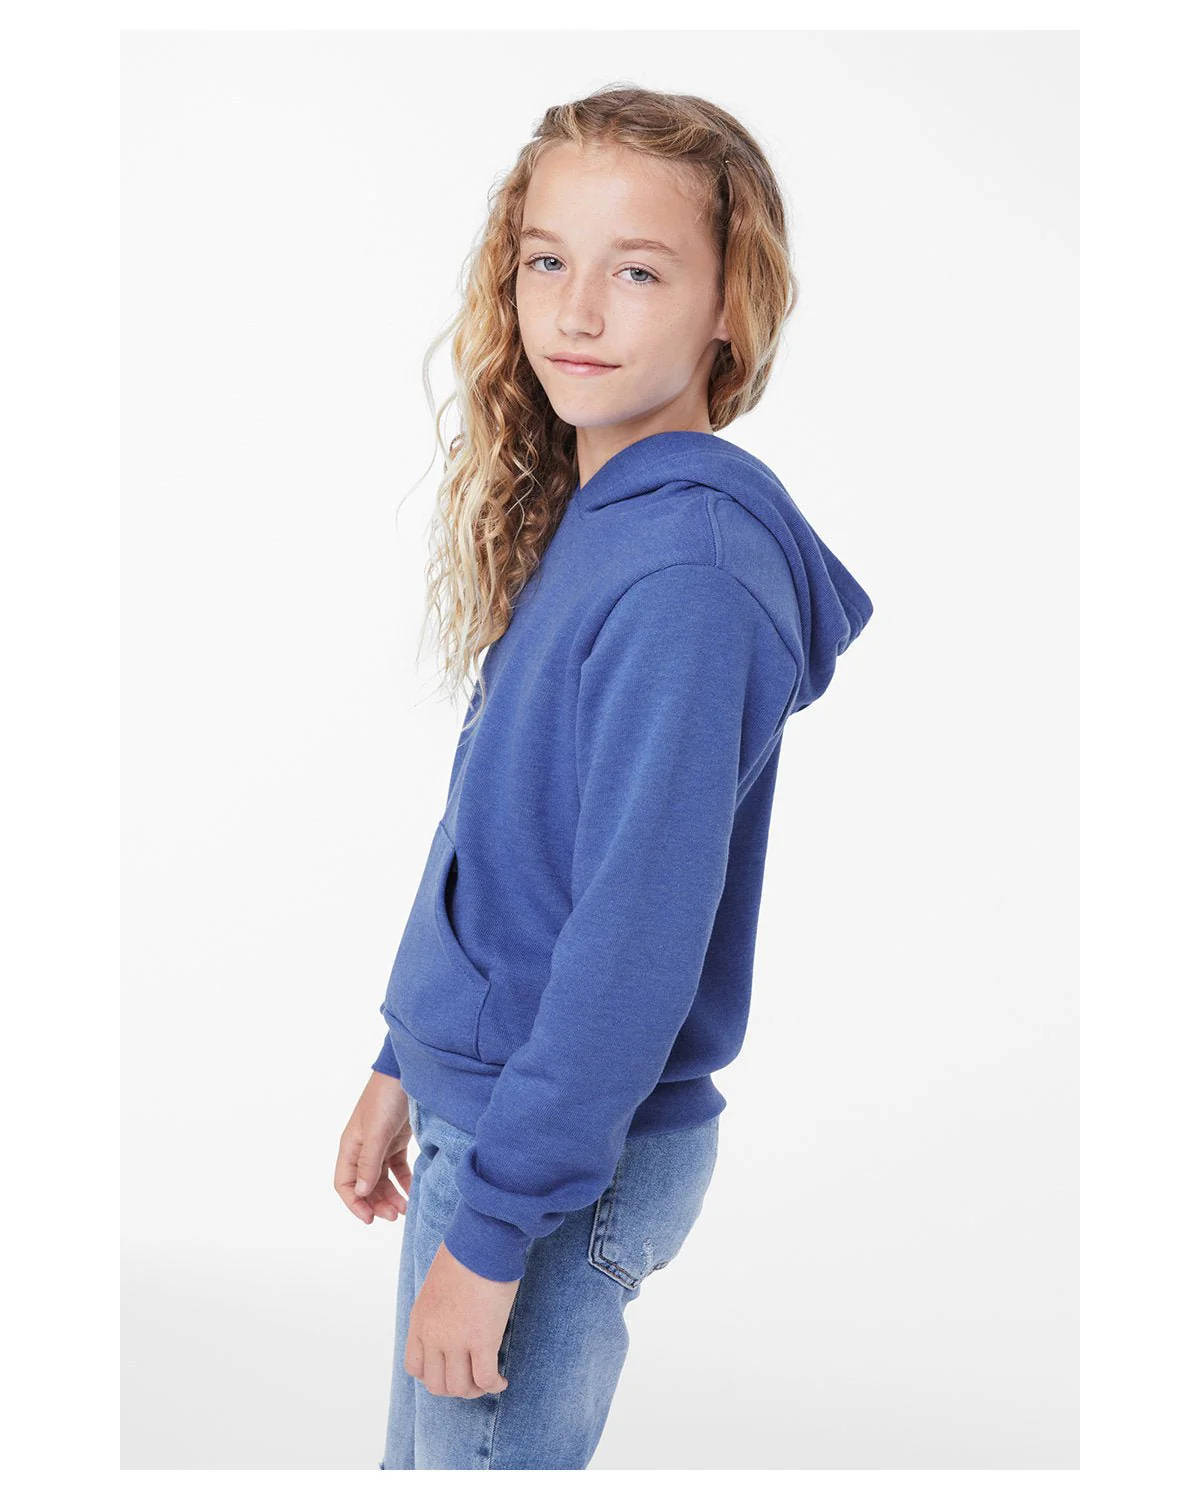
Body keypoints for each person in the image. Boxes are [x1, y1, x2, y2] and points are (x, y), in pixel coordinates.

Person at [333, 83, 874, 1470]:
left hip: (552, 1157)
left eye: (637, 272)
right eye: (546, 261)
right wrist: (406, 1055)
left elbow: (631, 941)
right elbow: (502, 828)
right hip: (500, 1118)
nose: (575, 312)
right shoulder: (604, 522)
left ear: (729, 307)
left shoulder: (686, 575)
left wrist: (496, 1230)